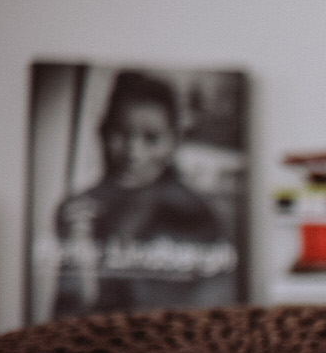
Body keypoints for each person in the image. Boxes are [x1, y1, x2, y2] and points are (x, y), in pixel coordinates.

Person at [53, 70, 235, 316]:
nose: (133, 152)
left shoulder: (199, 214)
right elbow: (67, 310)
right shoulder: (77, 211)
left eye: (151, 139)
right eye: (120, 133)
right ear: (103, 132)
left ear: (173, 141)